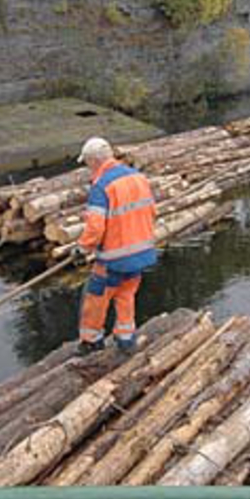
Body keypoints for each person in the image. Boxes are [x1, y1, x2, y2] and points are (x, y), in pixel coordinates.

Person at [72, 137, 158, 356]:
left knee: (95, 298)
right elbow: (151, 212)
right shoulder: (138, 178)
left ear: (93, 161)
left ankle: (91, 340)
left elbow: (95, 228)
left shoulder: (102, 187)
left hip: (114, 258)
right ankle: (126, 338)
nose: (88, 168)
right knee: (126, 295)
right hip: (141, 252)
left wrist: (81, 249)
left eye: (87, 164)